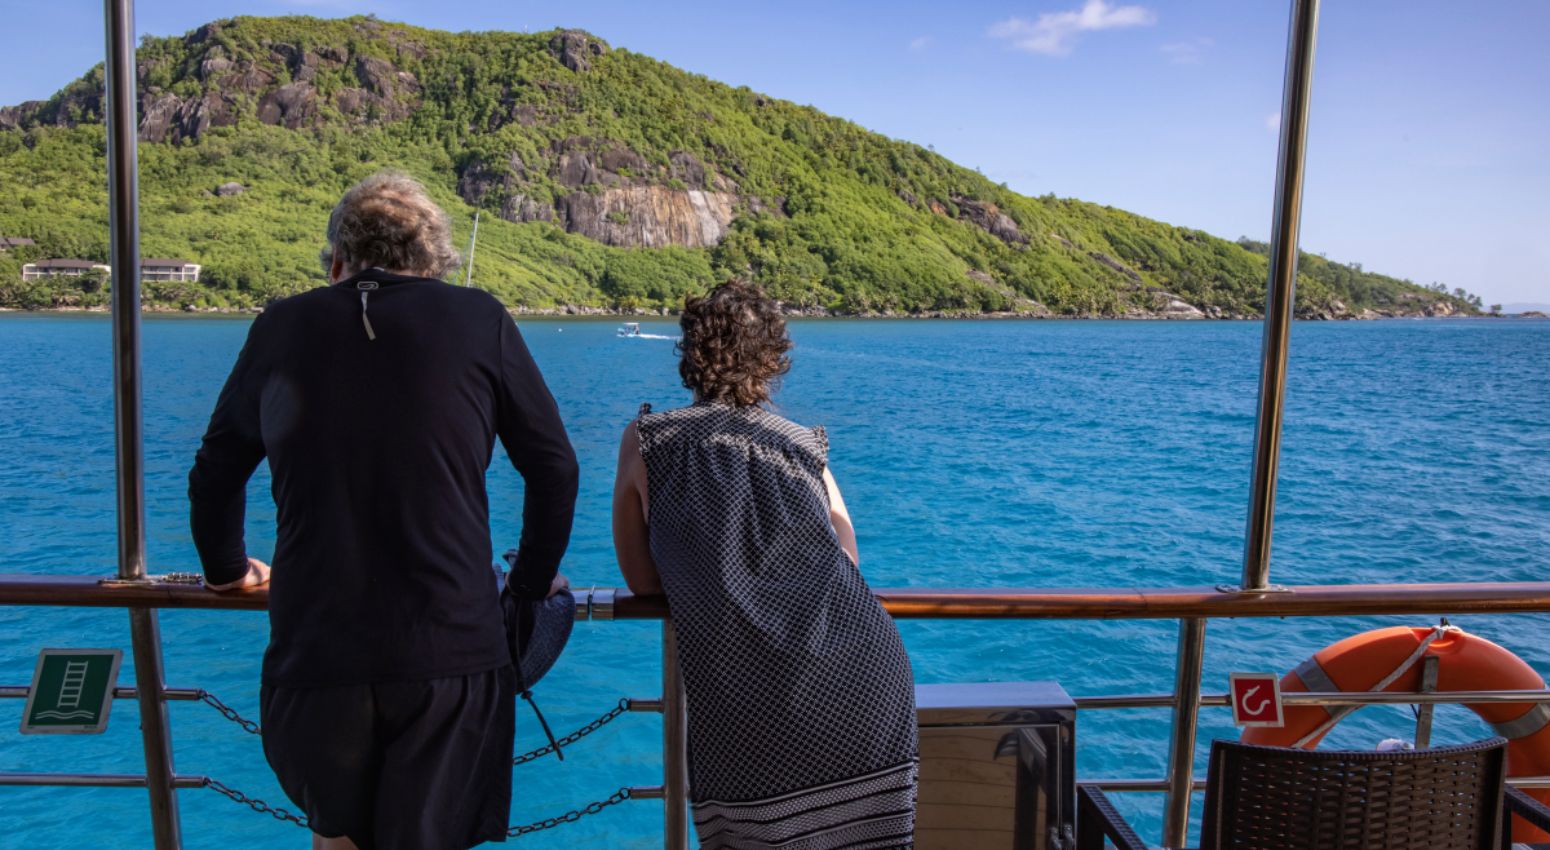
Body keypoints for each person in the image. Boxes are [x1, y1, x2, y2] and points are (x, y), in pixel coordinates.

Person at [188, 171, 578, 850]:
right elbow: (554, 468)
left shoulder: (282, 325)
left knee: (337, 839)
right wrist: (526, 582)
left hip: (317, 652)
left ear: (337, 261)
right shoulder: (478, 318)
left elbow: (216, 473)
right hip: (449, 651)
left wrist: (225, 570)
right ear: (433, 264)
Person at [611, 280, 918, 850]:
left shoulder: (648, 441)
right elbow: (846, 556)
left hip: (744, 706)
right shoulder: (803, 445)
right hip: (861, 681)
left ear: (690, 355)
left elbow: (641, 579)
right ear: (773, 360)